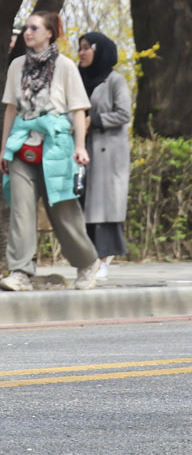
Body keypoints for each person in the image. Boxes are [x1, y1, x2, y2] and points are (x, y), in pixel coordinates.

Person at [0, 12, 99, 291]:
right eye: (26, 28)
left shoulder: (65, 66)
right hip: (21, 145)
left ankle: (88, 263)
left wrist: (80, 147)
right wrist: (4, 148)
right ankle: (20, 272)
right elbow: (11, 109)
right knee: (21, 211)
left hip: (55, 146)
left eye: (34, 28)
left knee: (63, 211)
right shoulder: (17, 66)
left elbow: (78, 109)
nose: (28, 32)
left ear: (50, 33)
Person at [79, 32, 132, 280]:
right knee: (84, 206)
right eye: (80, 48)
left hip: (109, 155)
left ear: (100, 50)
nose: (82, 53)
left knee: (104, 209)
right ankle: (89, 259)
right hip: (83, 152)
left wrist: (95, 120)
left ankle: (102, 259)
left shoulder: (115, 80)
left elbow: (124, 113)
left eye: (87, 48)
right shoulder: (79, 80)